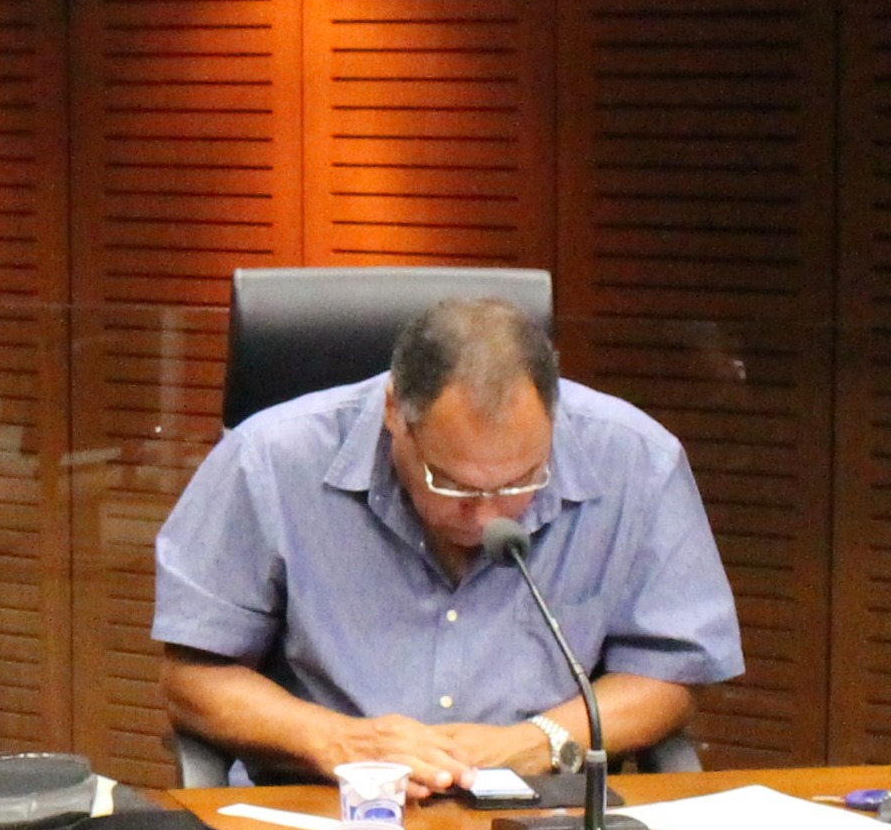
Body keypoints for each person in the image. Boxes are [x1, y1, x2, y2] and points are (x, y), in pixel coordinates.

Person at [156, 297, 742, 792]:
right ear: (394, 414)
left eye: (520, 482)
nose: (487, 516)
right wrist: (337, 740)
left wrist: (540, 741)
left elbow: (671, 676)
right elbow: (192, 678)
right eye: (452, 483)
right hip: (328, 812)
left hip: (541, 807)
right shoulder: (269, 461)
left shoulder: (636, 462)